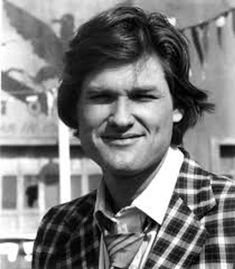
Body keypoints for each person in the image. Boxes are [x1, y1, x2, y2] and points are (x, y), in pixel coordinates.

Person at [32, 5, 235, 269]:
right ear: (75, 109)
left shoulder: (229, 216)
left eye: (142, 96)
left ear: (178, 106)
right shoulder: (58, 231)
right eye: (101, 97)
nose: (121, 119)